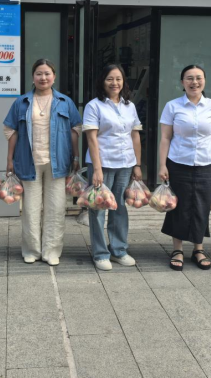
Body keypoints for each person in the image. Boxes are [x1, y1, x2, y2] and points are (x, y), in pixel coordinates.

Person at [3, 59, 82, 266]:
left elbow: (75, 131)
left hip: (58, 162)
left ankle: (51, 251)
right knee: (30, 209)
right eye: (39, 73)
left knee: (56, 208)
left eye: (47, 73)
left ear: (54, 77)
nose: (43, 77)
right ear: (33, 77)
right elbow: (11, 131)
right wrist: (9, 160)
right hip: (28, 161)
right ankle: (31, 250)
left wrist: (76, 157)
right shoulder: (21, 102)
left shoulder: (65, 102)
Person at [158, 65, 211, 271]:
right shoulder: (172, 106)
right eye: (189, 78)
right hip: (179, 162)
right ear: (182, 82)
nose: (194, 82)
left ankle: (198, 249)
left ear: (204, 81)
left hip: (206, 162)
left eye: (198, 78)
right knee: (179, 206)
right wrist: (162, 164)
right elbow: (165, 137)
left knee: (201, 206)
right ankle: (177, 250)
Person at [83, 64, 142, 271]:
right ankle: (100, 253)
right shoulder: (94, 106)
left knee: (120, 207)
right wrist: (97, 169)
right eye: (110, 78)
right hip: (103, 163)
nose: (114, 83)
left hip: (125, 163)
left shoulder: (129, 106)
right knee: (98, 208)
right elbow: (92, 138)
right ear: (102, 81)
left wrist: (137, 164)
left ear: (124, 81)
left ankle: (119, 250)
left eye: (118, 79)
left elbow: (135, 135)